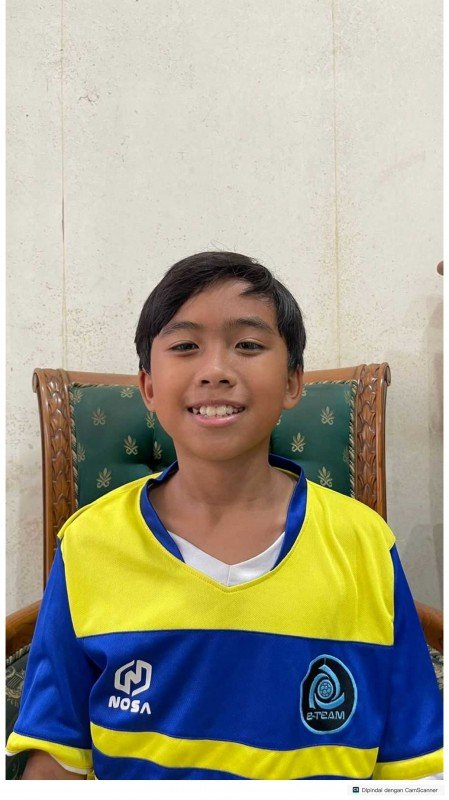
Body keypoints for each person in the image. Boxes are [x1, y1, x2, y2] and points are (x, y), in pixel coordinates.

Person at [7, 252, 443, 780]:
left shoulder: (363, 543)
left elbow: (410, 764)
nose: (215, 371)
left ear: (293, 382)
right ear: (148, 386)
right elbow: (56, 756)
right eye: (185, 346)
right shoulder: (89, 543)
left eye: (249, 345)